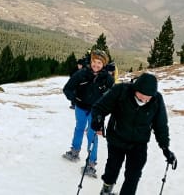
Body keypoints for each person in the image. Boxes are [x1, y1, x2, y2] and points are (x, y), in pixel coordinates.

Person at [91, 73, 177, 195]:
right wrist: (98, 119)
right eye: (142, 97)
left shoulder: (157, 99)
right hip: (117, 138)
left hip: (139, 143)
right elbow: (100, 107)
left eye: (148, 98)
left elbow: (161, 125)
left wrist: (165, 148)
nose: (144, 101)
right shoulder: (121, 90)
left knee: (134, 175)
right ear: (136, 89)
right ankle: (106, 188)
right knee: (112, 168)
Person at [62, 49, 114, 177]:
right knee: (79, 128)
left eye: (99, 63)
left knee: (92, 134)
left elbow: (113, 96)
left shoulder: (107, 79)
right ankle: (75, 151)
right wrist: (74, 98)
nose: (96, 65)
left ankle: (91, 164)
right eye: (94, 62)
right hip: (80, 107)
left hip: (96, 110)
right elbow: (67, 88)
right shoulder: (81, 74)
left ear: (104, 65)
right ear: (91, 61)